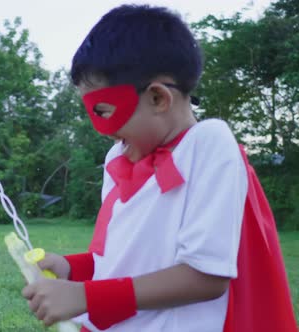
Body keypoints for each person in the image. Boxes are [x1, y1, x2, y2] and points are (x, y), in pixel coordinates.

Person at [21, 5, 297, 332]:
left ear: (158, 98)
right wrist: (72, 268)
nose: (105, 132)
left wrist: (87, 296)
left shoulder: (208, 144)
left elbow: (206, 276)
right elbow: (124, 259)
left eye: (106, 112)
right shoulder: (118, 160)